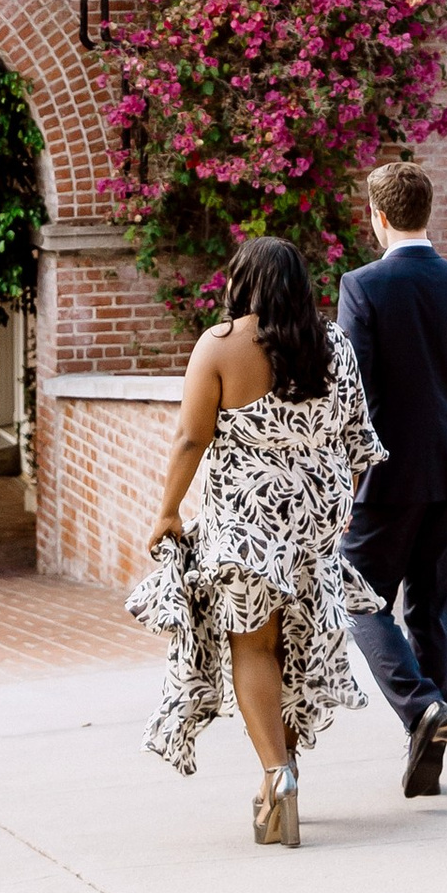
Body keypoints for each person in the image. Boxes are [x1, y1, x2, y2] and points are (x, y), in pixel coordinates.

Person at [129, 233, 384, 846]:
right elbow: (359, 443)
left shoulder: (219, 348)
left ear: (240, 283)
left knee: (255, 647)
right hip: (313, 523)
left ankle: (277, 777)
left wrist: (167, 513)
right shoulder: (336, 347)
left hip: (247, 526)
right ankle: (287, 770)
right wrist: (338, 500)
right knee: (296, 646)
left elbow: (192, 439)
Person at [338, 157, 447, 797]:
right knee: (430, 607)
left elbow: (351, 390)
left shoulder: (362, 286)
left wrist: (345, 477)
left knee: (357, 594)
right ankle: (429, 750)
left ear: (376, 217)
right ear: (425, 212)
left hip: (387, 475)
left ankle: (420, 707)